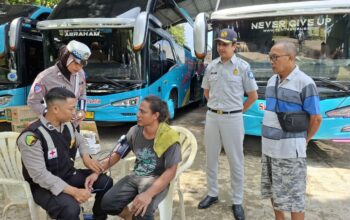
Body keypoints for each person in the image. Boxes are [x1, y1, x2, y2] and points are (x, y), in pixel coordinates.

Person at [17, 87, 112, 220]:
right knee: (70, 208)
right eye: (71, 108)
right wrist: (75, 192)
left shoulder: (67, 124)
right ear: (55, 109)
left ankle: (99, 217)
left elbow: (79, 139)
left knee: (105, 182)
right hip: (43, 186)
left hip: (67, 174)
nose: (75, 113)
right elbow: (40, 176)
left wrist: (86, 156)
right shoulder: (32, 137)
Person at [85, 96, 181, 220]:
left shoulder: (169, 138)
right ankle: (131, 218)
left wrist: (148, 194)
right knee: (107, 204)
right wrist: (97, 171)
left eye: (143, 112)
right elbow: (117, 154)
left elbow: (170, 172)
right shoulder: (134, 131)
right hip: (137, 176)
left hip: (157, 179)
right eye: (138, 110)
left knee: (143, 211)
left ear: (155, 115)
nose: (137, 114)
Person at [198, 28, 258, 220]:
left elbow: (253, 95)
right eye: (219, 44)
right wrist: (215, 107)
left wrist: (238, 110)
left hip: (233, 118)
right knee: (211, 158)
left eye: (225, 44)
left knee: (236, 160)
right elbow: (206, 92)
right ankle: (212, 193)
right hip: (213, 117)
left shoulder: (242, 67)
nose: (221, 47)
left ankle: (237, 201)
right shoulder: (211, 66)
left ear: (234, 46)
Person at [261, 41, 322, 220]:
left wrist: (305, 140)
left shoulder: (305, 83)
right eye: (270, 57)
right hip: (269, 150)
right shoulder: (272, 80)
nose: (271, 61)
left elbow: (316, 118)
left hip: (290, 153)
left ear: (290, 58)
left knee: (294, 198)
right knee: (274, 193)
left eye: (275, 57)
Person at [27, 40, 91, 126]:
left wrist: (82, 110)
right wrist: (49, 114)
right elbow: (33, 101)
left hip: (73, 125)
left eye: (82, 64)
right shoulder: (45, 77)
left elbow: (82, 93)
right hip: (54, 127)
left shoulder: (80, 73)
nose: (79, 68)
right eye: (76, 63)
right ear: (66, 57)